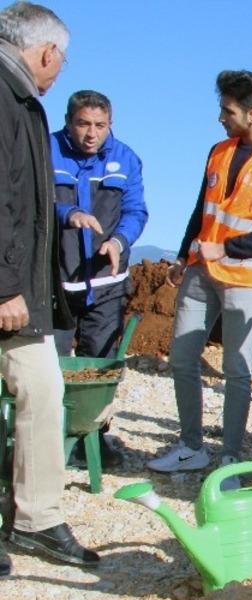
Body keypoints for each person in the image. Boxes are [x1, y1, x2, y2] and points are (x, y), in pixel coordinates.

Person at [148, 70, 252, 483]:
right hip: (200, 272)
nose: (220, 117)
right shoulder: (218, 151)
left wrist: (228, 248)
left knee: (236, 368)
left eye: (227, 110)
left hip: (246, 280)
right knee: (181, 358)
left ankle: (229, 457)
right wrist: (183, 255)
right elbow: (202, 210)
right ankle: (191, 447)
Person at [0, 1, 99, 572]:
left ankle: (35, 518)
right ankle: (33, 517)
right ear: (45, 51)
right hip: (7, 292)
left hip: (19, 290)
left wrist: (62, 214)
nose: (59, 68)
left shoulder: (20, 102)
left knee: (44, 390)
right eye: (60, 57)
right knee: (40, 387)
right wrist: (4, 286)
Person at [50, 88, 147, 468]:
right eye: (84, 124)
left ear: (111, 125)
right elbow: (30, 200)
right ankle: (50, 437)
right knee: (51, 367)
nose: (92, 134)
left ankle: (94, 437)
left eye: (100, 126)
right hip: (55, 282)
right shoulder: (46, 150)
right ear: (69, 123)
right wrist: (67, 214)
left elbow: (137, 210)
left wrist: (119, 241)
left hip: (105, 284)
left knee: (98, 366)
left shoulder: (126, 159)